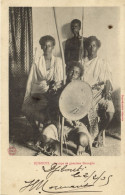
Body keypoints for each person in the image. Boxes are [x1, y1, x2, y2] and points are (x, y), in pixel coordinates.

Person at [40, 61, 92, 156]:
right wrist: (58, 125)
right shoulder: (58, 88)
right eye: (72, 71)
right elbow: (50, 110)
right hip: (58, 124)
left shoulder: (81, 91)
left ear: (79, 76)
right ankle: (55, 143)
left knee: (83, 140)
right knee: (45, 136)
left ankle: (80, 145)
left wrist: (76, 119)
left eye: (77, 73)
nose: (73, 74)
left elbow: (84, 112)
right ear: (67, 72)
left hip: (73, 126)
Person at [22, 35, 64, 144]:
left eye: (49, 46)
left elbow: (60, 80)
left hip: (53, 92)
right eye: (44, 46)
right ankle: (37, 131)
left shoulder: (58, 62)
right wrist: (28, 96)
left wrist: (55, 86)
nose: (46, 48)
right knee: (26, 108)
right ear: (41, 47)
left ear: (53, 46)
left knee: (53, 105)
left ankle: (50, 129)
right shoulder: (37, 61)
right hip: (38, 91)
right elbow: (30, 80)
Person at [83, 36, 115, 147]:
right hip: (86, 94)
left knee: (110, 112)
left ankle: (99, 134)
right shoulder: (82, 63)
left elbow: (108, 80)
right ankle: (92, 134)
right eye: (89, 45)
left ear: (98, 47)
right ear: (86, 47)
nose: (92, 48)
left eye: (94, 45)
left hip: (100, 93)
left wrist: (107, 92)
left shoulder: (102, 62)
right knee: (91, 112)